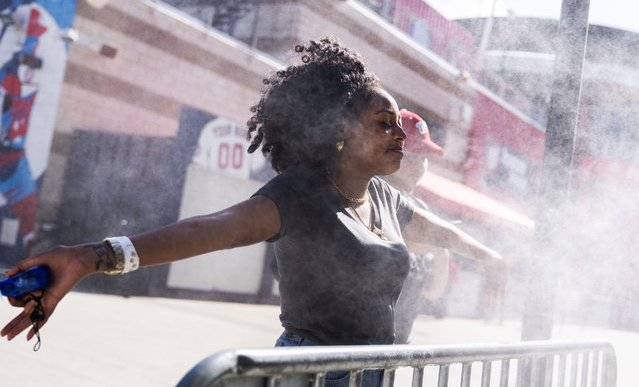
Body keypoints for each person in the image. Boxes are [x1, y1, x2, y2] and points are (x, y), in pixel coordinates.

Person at [1, 38, 505, 386]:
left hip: (369, 371)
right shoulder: (299, 195)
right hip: (310, 374)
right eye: (385, 123)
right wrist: (93, 258)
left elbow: (442, 232)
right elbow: (212, 229)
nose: (400, 136)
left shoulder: (385, 198)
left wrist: (490, 259)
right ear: (341, 129)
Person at [385, 109, 452, 344]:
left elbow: (431, 293)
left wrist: (442, 252)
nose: (419, 166)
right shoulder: (368, 193)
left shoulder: (421, 208)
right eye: (411, 157)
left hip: (392, 351)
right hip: (350, 347)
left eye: (424, 158)